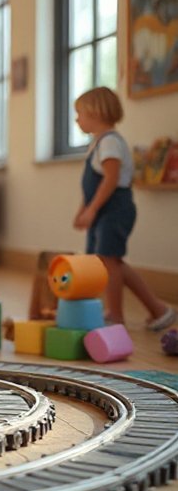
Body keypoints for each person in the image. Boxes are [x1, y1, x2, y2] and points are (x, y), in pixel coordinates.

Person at [71, 87, 175, 331]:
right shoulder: (98, 143)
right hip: (104, 210)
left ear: (96, 113)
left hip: (114, 210)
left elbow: (110, 180)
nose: (77, 119)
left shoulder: (109, 143)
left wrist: (93, 209)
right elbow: (91, 186)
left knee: (109, 262)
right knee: (112, 262)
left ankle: (115, 315)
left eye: (80, 113)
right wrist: (83, 209)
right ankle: (158, 309)